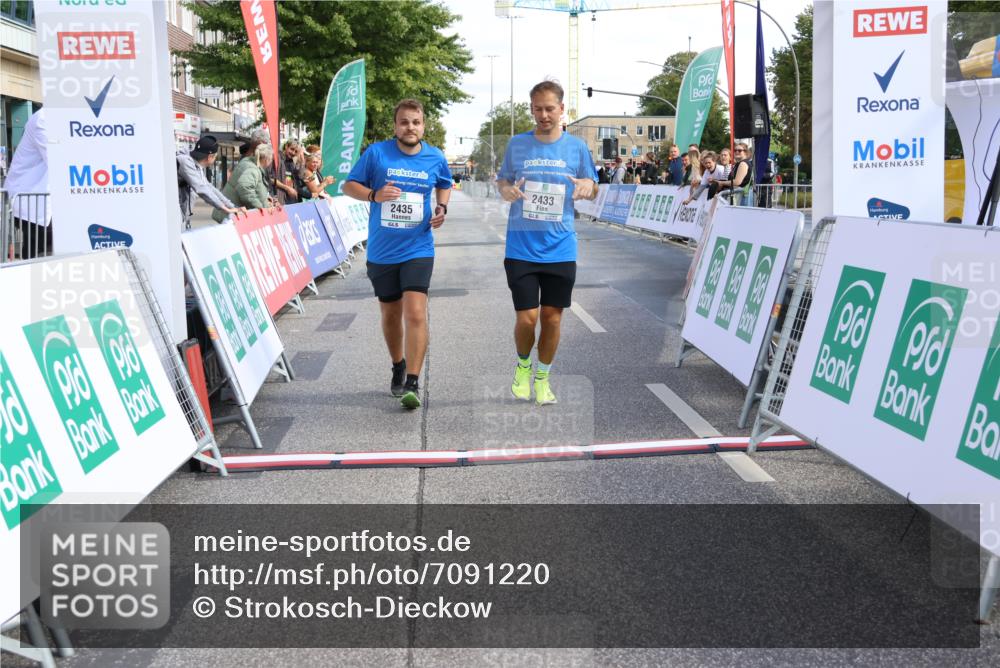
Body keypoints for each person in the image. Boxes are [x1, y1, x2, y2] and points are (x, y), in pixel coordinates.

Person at [342, 98, 452, 410]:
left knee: (415, 312)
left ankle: (414, 382)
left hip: (418, 247)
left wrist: (442, 206)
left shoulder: (435, 157)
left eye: (416, 122)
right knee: (391, 314)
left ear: (423, 125)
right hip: (382, 251)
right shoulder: (377, 153)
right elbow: (348, 185)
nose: (410, 127)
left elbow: (445, 183)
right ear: (396, 126)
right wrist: (374, 194)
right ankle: (398, 364)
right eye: (404, 122)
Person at [497, 80, 597, 405]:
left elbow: (593, 185)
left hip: (561, 246)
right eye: (537, 109)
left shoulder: (577, 148)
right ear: (531, 109)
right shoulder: (517, 145)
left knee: (552, 316)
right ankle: (523, 366)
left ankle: (543, 377)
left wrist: (587, 186)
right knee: (527, 317)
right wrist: (506, 190)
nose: (543, 115)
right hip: (521, 246)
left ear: (561, 109)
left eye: (549, 108)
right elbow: (503, 180)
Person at [2, 109, 51, 257]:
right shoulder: (43, 119)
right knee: (38, 249)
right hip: (30, 199)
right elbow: (58, 159)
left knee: (45, 246)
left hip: (40, 199)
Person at [177, 134, 243, 229]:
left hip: (181, 211)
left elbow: (209, 187)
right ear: (210, 157)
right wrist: (224, 208)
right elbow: (201, 189)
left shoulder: (195, 164)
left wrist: (231, 206)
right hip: (172, 211)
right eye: (215, 156)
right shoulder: (185, 162)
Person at [217, 143, 273, 218]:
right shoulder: (253, 169)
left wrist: (265, 198)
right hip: (233, 215)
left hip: (229, 211)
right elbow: (244, 187)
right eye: (271, 159)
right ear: (267, 159)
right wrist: (260, 207)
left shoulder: (249, 163)